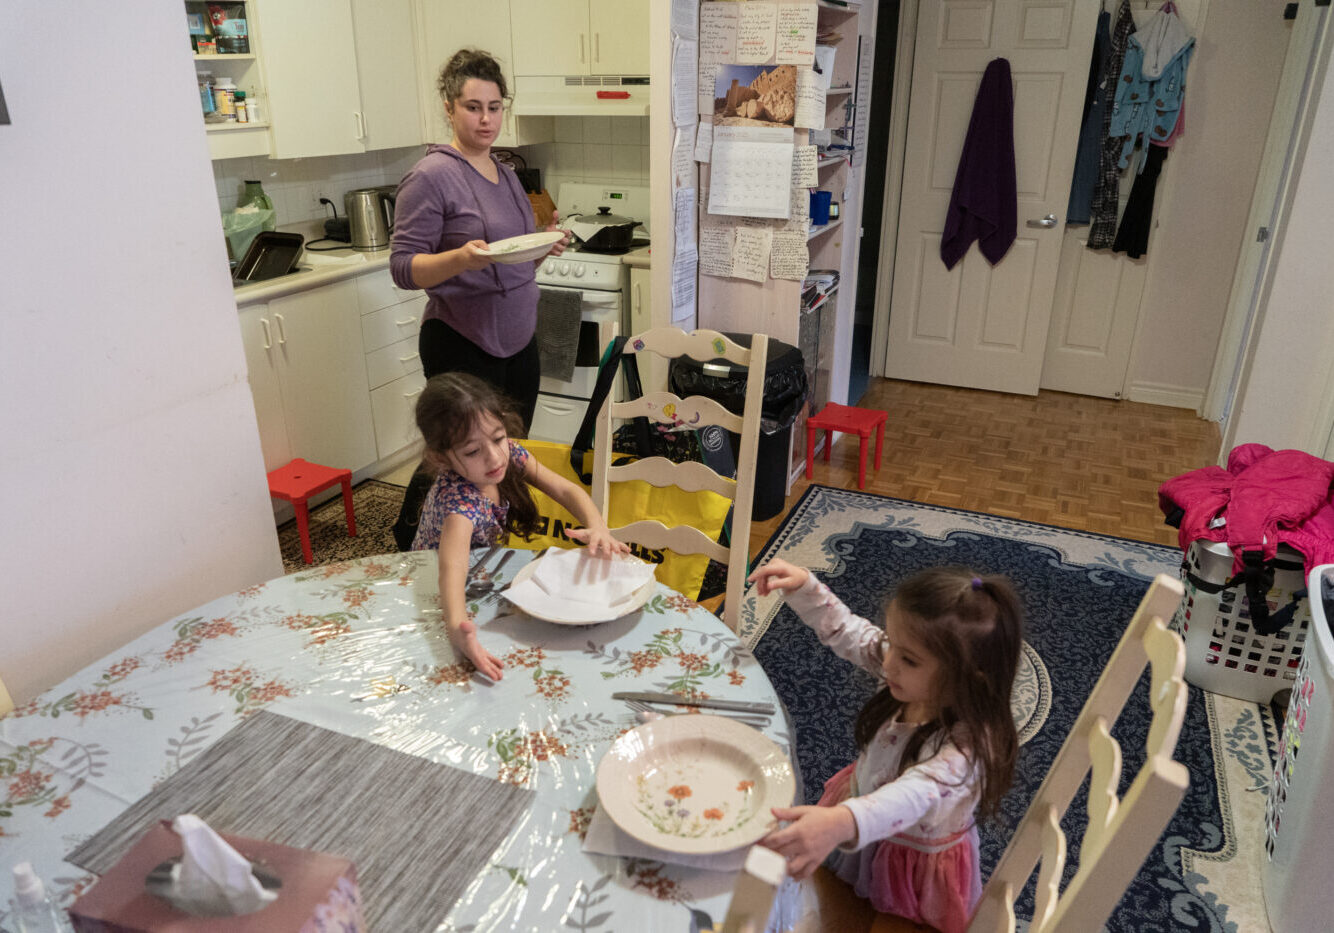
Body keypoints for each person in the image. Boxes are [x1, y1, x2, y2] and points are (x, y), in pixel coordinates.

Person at [746, 559, 1024, 933]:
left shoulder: (966, 750)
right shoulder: (908, 672)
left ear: (964, 679)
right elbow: (851, 631)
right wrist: (805, 588)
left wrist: (843, 821)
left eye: (908, 659)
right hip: (864, 821)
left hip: (912, 863)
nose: (888, 663)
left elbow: (915, 795)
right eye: (893, 643)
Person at [389, 47, 569, 550]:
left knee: (501, 458)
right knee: (457, 459)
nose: (486, 118)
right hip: (461, 342)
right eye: (473, 107)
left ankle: (487, 547)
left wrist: (542, 248)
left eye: (494, 106)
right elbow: (403, 267)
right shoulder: (430, 176)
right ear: (449, 108)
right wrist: (459, 260)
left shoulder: (507, 174)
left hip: (518, 342)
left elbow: (508, 265)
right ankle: (412, 545)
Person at [412, 373, 627, 681]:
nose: (495, 456)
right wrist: (457, 628)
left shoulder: (509, 454)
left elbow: (567, 490)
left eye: (498, 438)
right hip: (439, 589)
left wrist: (597, 527)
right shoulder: (459, 504)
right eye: (473, 451)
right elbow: (451, 567)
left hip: (479, 575)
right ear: (440, 457)